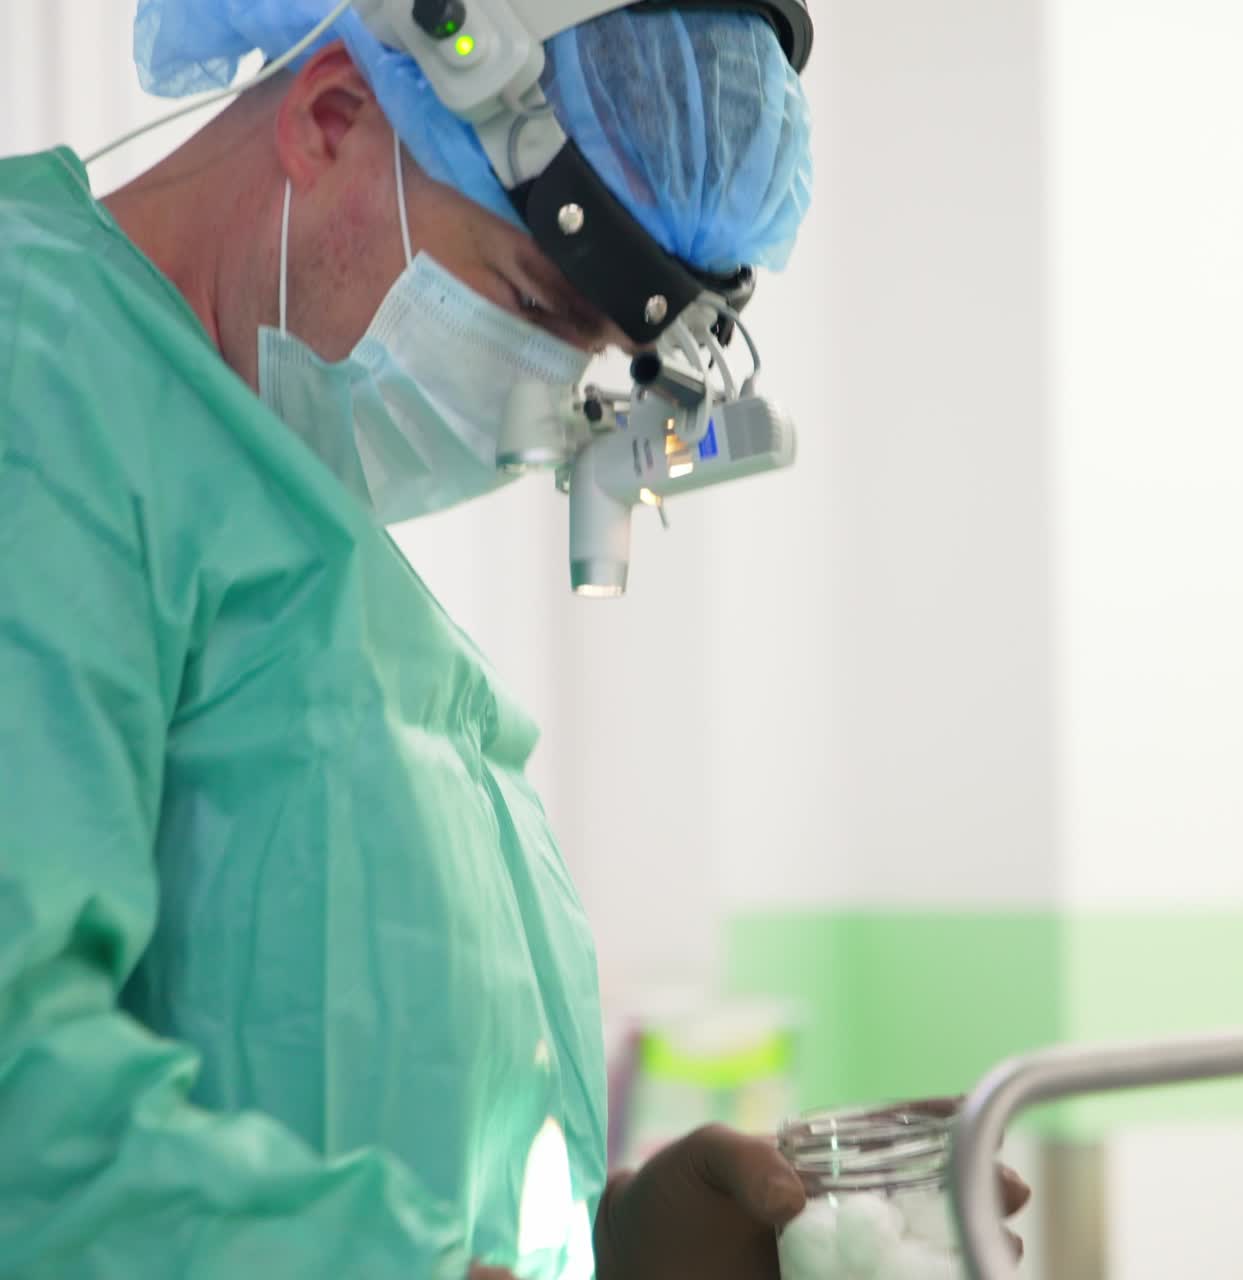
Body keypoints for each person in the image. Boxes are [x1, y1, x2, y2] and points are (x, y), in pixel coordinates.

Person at [0, 3, 1026, 1276]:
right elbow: (26, 1117)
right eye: (531, 303)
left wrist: (623, 1239)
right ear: (333, 120)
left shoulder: (298, 526)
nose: (540, 402)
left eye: (590, 354)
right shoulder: (35, 381)